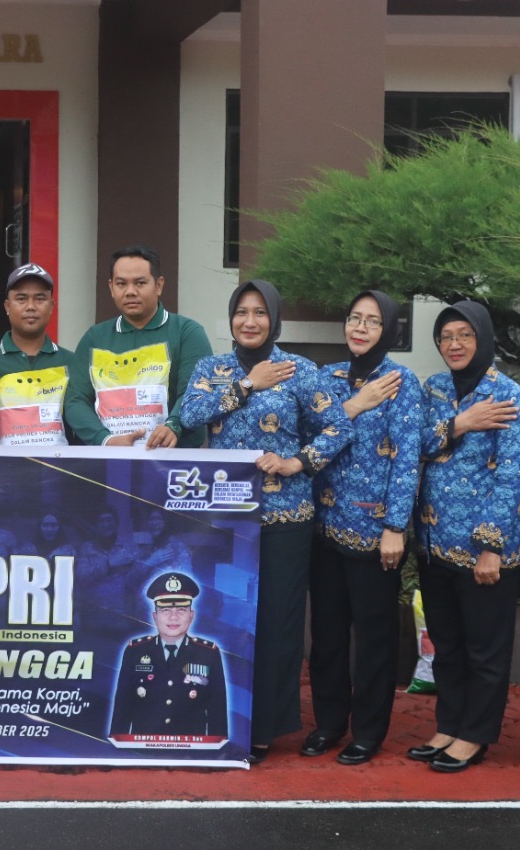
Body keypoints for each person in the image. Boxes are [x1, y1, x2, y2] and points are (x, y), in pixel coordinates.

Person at [175, 279, 353, 763]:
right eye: (241, 312)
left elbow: (339, 427)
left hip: (284, 519)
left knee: (276, 624)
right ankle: (219, 717)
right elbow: (190, 414)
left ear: (274, 320)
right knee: (224, 620)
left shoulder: (300, 370)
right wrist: (248, 385)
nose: (249, 321)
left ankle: (263, 729)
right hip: (225, 520)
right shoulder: (212, 369)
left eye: (259, 313)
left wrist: (298, 462)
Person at [410, 301, 520, 773]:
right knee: (447, 645)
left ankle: (475, 735)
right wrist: (460, 423)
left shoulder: (509, 396)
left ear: (483, 338)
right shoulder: (435, 389)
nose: (455, 344)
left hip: (485, 550)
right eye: (446, 336)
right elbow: (413, 445)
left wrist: (490, 546)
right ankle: (449, 724)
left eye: (465, 334)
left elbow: (514, 477)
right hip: (434, 542)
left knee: (484, 649)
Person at [306, 291, 424, 765]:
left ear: (388, 329)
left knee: (374, 638)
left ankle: (368, 731)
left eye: (372, 321)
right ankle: (329, 723)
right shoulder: (326, 377)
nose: (360, 327)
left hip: (375, 532)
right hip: (323, 526)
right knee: (327, 635)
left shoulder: (402, 382)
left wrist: (396, 525)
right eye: (354, 318)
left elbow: (407, 459)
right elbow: (310, 439)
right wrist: (355, 405)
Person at [65, 245, 212, 449]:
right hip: (110, 460)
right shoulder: (95, 338)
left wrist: (174, 425)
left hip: (172, 459)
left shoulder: (187, 333)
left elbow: (198, 391)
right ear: (111, 287)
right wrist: (105, 440)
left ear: (159, 285)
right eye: (121, 284)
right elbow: (75, 401)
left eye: (140, 283)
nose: (130, 292)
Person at [108, 572, 227, 739]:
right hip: (142, 748)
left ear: (191, 616)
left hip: (192, 749)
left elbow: (217, 710)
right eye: (165, 610)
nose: (173, 617)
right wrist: (117, 744)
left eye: (181, 610)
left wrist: (219, 748)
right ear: (155, 617)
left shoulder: (208, 653)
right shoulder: (135, 651)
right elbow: (123, 707)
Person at [0, 263, 77, 446]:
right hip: (3, 464)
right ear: (7, 306)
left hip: (59, 463)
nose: (31, 307)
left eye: (40, 299)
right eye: (21, 299)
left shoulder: (72, 362)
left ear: (51, 306)